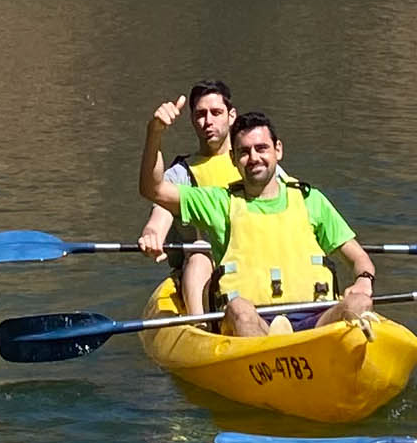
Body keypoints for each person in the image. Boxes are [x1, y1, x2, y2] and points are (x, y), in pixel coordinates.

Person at [139, 97, 373, 335]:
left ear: (277, 150)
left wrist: (364, 279)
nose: (254, 158)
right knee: (240, 309)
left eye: (261, 148)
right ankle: (272, 353)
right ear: (233, 159)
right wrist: (155, 133)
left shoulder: (310, 199)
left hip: (316, 319)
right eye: (244, 152)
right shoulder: (219, 203)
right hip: (252, 325)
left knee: (360, 303)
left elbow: (359, 258)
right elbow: (153, 188)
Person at [137, 79, 246, 265]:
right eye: (201, 115)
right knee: (198, 256)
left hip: (249, 262)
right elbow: (159, 215)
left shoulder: (252, 162)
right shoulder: (180, 174)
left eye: (216, 113)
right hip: (203, 268)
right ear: (193, 120)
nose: (208, 121)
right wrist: (151, 235)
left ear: (232, 115)